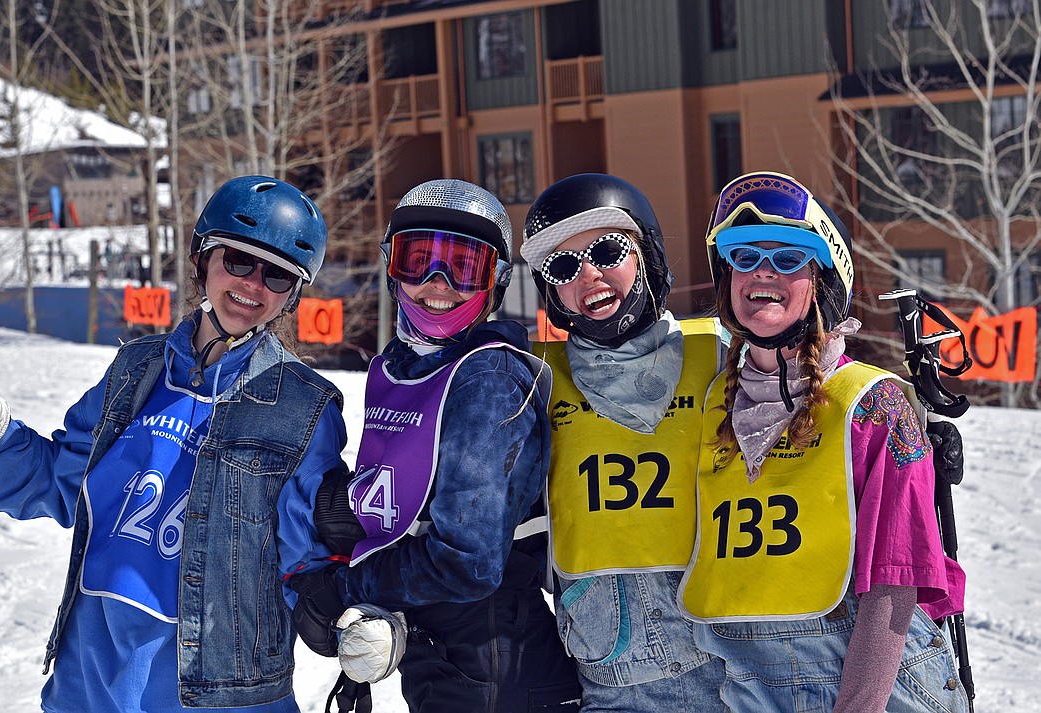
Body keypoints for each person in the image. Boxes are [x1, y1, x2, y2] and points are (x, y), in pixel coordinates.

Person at [0, 176, 348, 712]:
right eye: (239, 261)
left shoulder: (303, 408)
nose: (253, 285)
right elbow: (66, 483)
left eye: (278, 276)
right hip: (92, 679)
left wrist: (355, 614)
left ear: (292, 295)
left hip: (216, 696)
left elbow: (307, 558)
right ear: (203, 259)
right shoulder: (137, 369)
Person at [282, 178, 582, 712]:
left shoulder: (485, 378)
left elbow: (467, 561)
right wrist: (347, 508)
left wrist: (346, 586)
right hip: (447, 651)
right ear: (392, 268)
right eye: (418, 260)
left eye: (463, 267)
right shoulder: (402, 368)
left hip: (496, 661)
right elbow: (412, 495)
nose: (437, 283)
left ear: (494, 282)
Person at [679, 171, 968, 712]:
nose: (762, 272)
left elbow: (896, 582)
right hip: (749, 683)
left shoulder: (874, 406)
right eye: (743, 256)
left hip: (871, 681)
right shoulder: (710, 398)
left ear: (824, 284)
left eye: (789, 260)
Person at [519, 173, 729, 712]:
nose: (588, 275)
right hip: (615, 669)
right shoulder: (533, 379)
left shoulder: (721, 355)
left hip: (731, 661)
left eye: (608, 250)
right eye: (562, 267)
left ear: (648, 253)